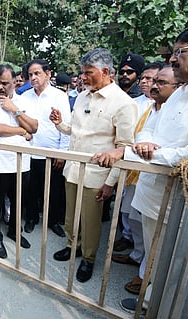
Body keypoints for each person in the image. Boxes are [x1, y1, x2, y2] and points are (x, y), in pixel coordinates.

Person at [92, 22, 188, 313]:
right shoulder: (183, 90)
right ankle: (150, 304)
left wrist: (145, 154)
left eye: (180, 52)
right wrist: (143, 146)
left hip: (184, 206)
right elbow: (148, 128)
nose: (174, 60)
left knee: (179, 272)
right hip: (153, 197)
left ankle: (161, 308)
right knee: (155, 260)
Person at [50, 48, 137, 283]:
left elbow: (124, 148)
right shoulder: (82, 96)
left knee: (90, 221)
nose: (83, 77)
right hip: (73, 169)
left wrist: (110, 183)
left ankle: (88, 258)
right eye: (82, 72)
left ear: (106, 72)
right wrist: (60, 125)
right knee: (71, 216)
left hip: (97, 176)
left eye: (89, 73)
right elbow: (77, 131)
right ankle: (72, 245)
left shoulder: (123, 104)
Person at [112, 65, 180, 296]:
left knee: (166, 248)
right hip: (142, 178)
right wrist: (141, 147)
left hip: (166, 186)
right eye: (151, 81)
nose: (152, 85)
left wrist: (132, 152)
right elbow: (142, 136)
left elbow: (186, 152)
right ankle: (140, 262)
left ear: (178, 87)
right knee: (134, 219)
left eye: (160, 82)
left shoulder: (176, 109)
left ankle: (148, 283)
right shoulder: (152, 107)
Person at [0, 64, 38, 259]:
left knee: (18, 200)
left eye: (5, 83)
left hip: (20, 162)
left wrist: (15, 110)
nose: (1, 87)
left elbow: (34, 127)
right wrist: (21, 131)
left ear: (15, 81)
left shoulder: (21, 100)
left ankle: (14, 231)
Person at [22, 59, 70, 238]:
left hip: (52, 151)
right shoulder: (25, 96)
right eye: (30, 74)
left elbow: (66, 125)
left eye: (37, 73)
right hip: (29, 150)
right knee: (31, 189)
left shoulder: (59, 96)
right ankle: (32, 218)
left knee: (54, 189)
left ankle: (53, 221)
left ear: (48, 74)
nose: (33, 77)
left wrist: (62, 153)